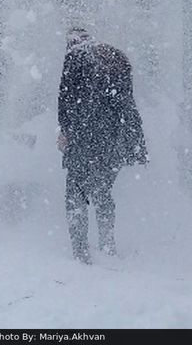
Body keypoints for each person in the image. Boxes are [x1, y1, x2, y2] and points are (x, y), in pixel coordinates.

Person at [57, 26, 148, 264]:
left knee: (75, 194)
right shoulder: (115, 57)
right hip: (116, 137)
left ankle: (80, 251)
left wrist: (65, 132)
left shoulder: (74, 58)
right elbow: (126, 103)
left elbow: (66, 100)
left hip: (84, 136)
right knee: (102, 191)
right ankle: (107, 245)